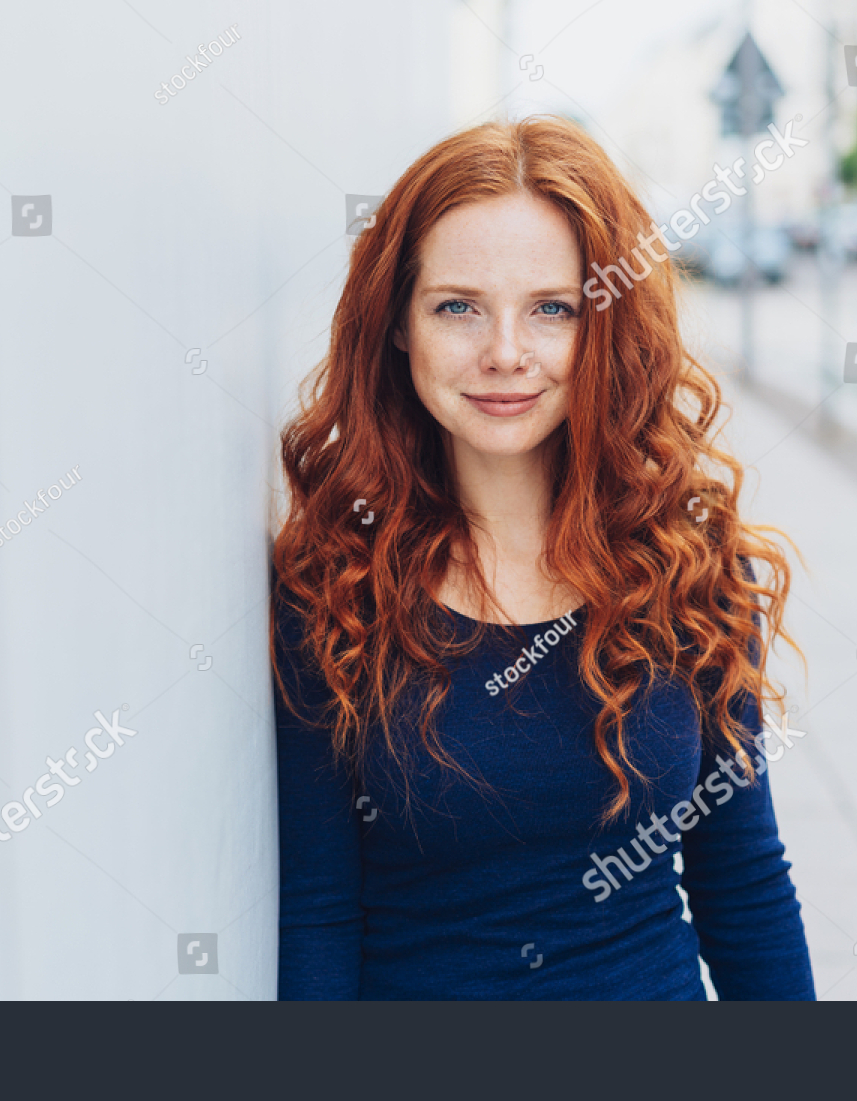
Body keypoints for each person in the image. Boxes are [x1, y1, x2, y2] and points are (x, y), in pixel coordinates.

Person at [270, 115, 813, 1000]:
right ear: (398, 323)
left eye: (551, 309)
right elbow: (321, 912)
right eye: (458, 306)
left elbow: (741, 880)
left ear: (605, 324)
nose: (506, 355)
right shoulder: (333, 582)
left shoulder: (689, 561)